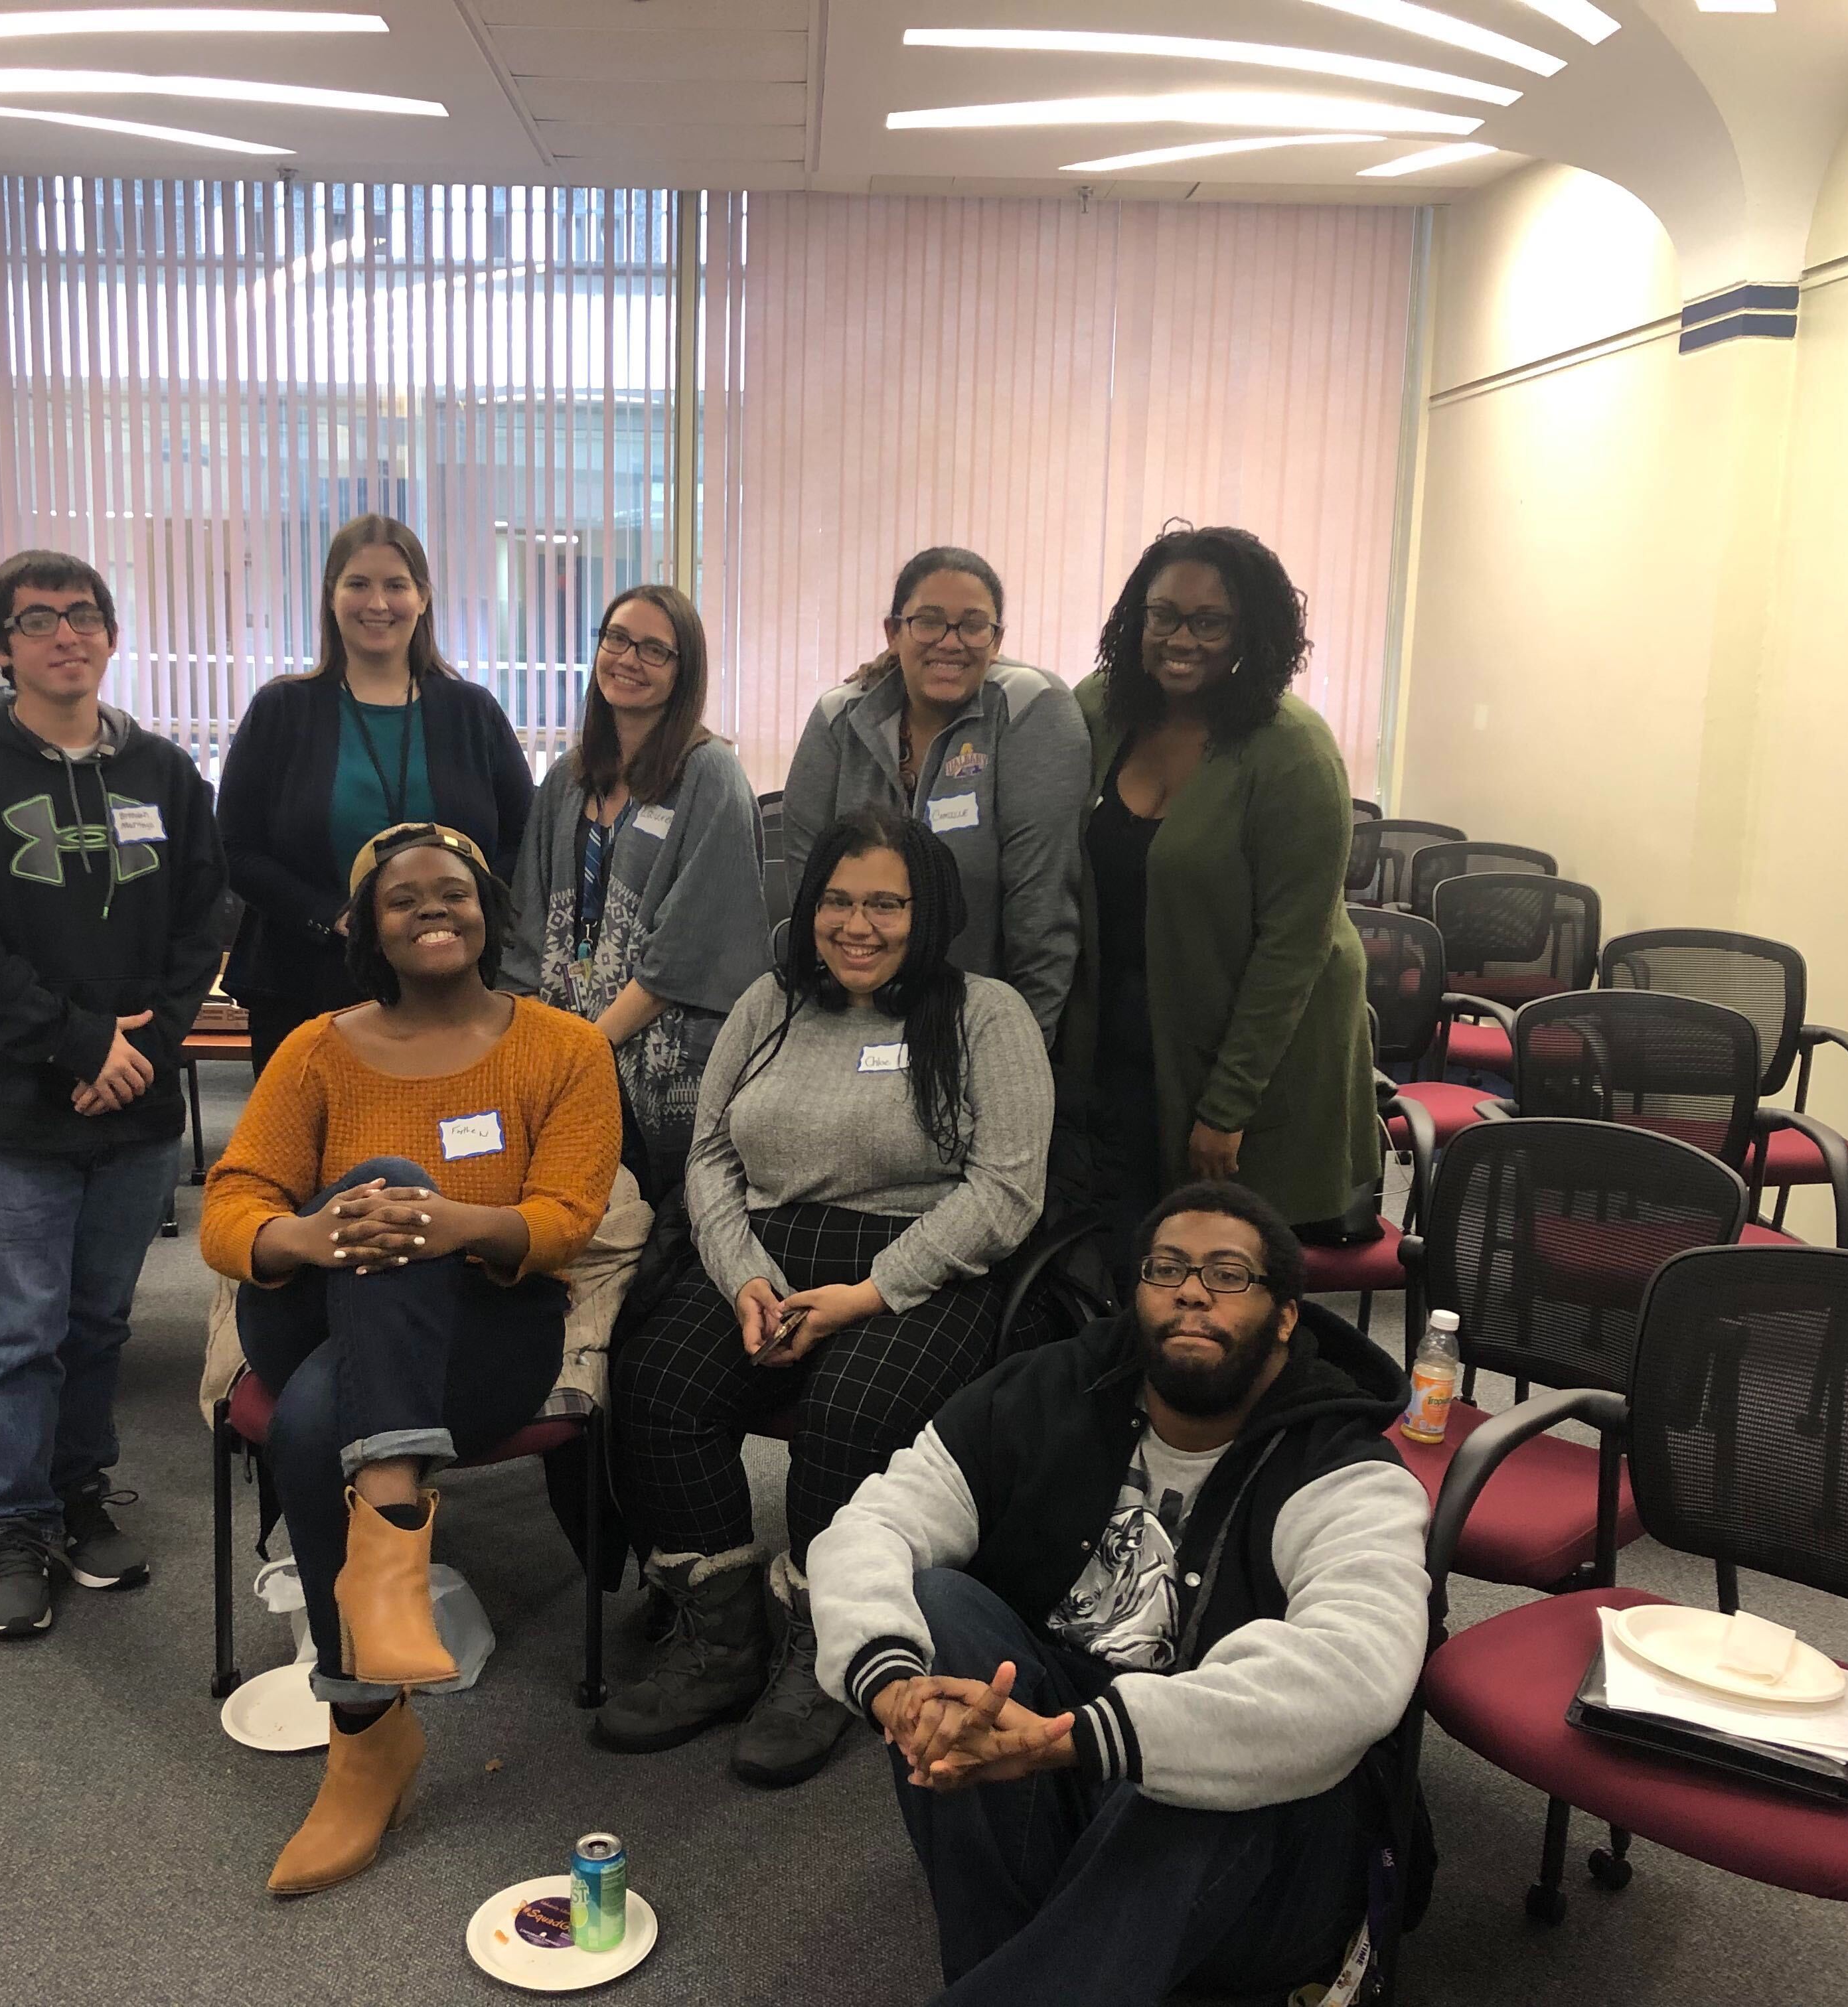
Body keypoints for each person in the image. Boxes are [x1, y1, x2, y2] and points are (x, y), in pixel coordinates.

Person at [809, 1181, 1429, 2005]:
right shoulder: (1047, 1390)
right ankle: (1031, 1968)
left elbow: (1355, 1672)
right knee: (935, 1616)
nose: (1193, 1290)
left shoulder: (1343, 1464)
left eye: (1230, 1274)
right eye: (1166, 1268)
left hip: (1261, 1847)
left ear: (1287, 1315)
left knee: (1206, 1772)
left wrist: (1081, 1742)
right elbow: (876, 1522)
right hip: (1066, 1753)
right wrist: (893, 1689)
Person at [199, 822, 621, 1897]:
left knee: (307, 1422)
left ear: (486, 909)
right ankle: (390, 1545)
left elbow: (565, 1218)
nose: (432, 908)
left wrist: (444, 1223)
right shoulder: (316, 1047)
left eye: (454, 891)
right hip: (313, 1307)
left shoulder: (563, 1049)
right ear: (367, 927)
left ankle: (365, 1738)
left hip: (491, 1327)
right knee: (374, 1180)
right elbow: (234, 1203)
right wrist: (318, 1233)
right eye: (402, 898)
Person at [599, 808, 1051, 1788]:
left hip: (919, 1267)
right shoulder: (772, 1002)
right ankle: (722, 1640)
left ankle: (830, 1650)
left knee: (850, 1419)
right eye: (839, 901)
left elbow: (1007, 1192)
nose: (859, 925)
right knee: (657, 1386)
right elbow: (711, 1155)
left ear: (927, 913)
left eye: (888, 903)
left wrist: (869, 1295)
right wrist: (745, 1276)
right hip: (764, 1254)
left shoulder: (985, 1014)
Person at [0, 550, 225, 1639]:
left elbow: (202, 921)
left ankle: (80, 1491)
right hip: (14, 1103)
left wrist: (148, 1043)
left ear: (111, 633)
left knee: (99, 1323)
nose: (63, 635)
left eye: (83, 615)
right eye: (35, 620)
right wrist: (80, 1044)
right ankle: (12, 1520)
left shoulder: (165, 772)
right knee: (20, 1330)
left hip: (134, 1103)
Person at [1056, 525, 1379, 1260]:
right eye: (1163, 614)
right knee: (1128, 1245)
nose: (1182, 638)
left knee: (1232, 1270)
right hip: (1132, 1029)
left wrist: (1228, 1107)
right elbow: (1005, 707)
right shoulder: (1100, 709)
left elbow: (1292, 950)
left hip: (1260, 1053)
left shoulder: (1293, 750)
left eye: (1211, 622)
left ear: (1251, 633)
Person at [218, 514, 536, 1070]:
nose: (378, 603)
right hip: (307, 986)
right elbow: (235, 849)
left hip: (453, 988)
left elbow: (523, 839)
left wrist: (459, 916)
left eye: (396, 585)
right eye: (358, 584)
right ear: (331, 595)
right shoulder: (282, 711)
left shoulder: (471, 711)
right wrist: (331, 916)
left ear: (423, 597)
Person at [502, 584, 771, 1190]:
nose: (629, 660)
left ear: (685, 672)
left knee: (646, 1225)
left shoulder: (710, 774)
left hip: (665, 1058)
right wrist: (532, 1049)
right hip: (566, 1040)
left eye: (655, 650)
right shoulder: (567, 781)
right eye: (617, 639)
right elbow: (527, 926)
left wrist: (587, 1050)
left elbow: (694, 944)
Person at [781, 548, 1087, 1041]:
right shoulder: (839, 719)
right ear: (893, 631)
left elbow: (1043, 911)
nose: (950, 643)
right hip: (850, 1022)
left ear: (997, 640)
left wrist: (1025, 1051)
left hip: (981, 1028)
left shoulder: (1032, 710)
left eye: (972, 625)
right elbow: (811, 898)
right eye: (928, 622)